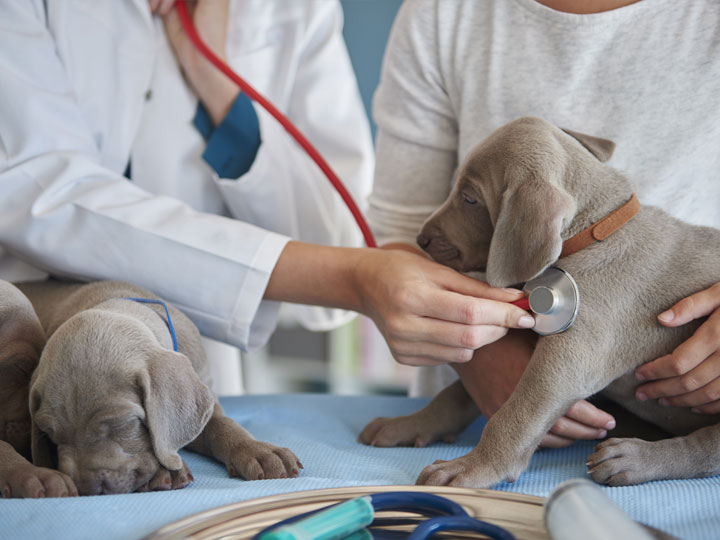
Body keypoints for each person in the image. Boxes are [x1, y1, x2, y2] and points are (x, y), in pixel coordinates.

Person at [0, 0, 533, 383]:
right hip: (24, 343)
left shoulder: (291, 10)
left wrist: (223, 95)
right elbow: (37, 190)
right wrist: (349, 278)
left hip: (189, 374)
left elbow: (339, 249)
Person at [369, 0, 720, 447]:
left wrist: (498, 452)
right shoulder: (444, 11)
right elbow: (403, 236)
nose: (438, 224)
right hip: (487, 388)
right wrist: (483, 352)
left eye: (470, 198)